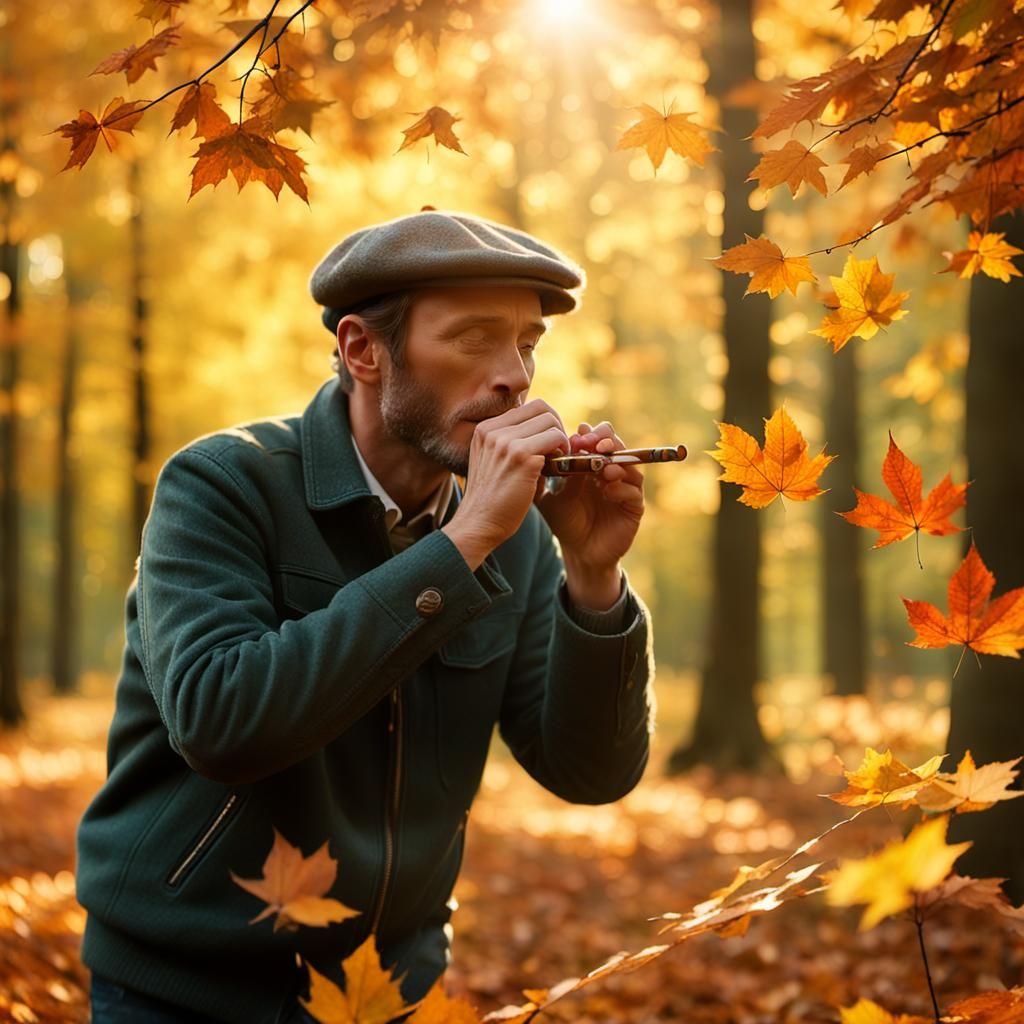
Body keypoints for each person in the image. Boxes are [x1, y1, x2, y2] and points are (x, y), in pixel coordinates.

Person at [76, 209, 655, 1024]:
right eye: (475, 338)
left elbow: (590, 773)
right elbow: (219, 721)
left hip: (389, 993)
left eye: (528, 343)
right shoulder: (221, 485)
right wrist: (463, 544)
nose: (515, 377)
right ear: (362, 351)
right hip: (185, 987)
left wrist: (593, 576)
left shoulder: (517, 535)